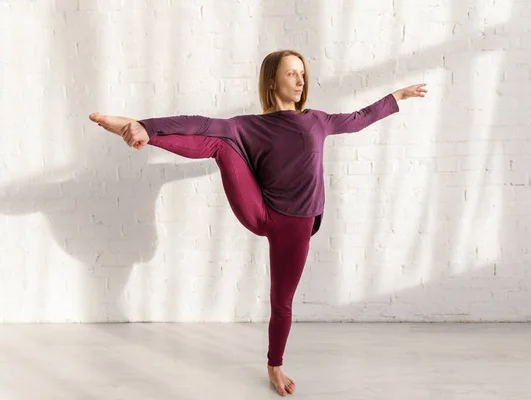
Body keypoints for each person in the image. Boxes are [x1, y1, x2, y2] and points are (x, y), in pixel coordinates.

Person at [89, 49, 427, 397]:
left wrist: (397, 97)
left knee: (282, 300)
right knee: (218, 142)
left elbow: (359, 118)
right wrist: (147, 125)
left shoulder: (317, 120)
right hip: (259, 211)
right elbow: (200, 123)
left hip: (295, 226)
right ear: (272, 81)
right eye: (291, 73)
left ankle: (274, 365)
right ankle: (138, 131)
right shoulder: (251, 125)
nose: (300, 80)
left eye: (302, 73)